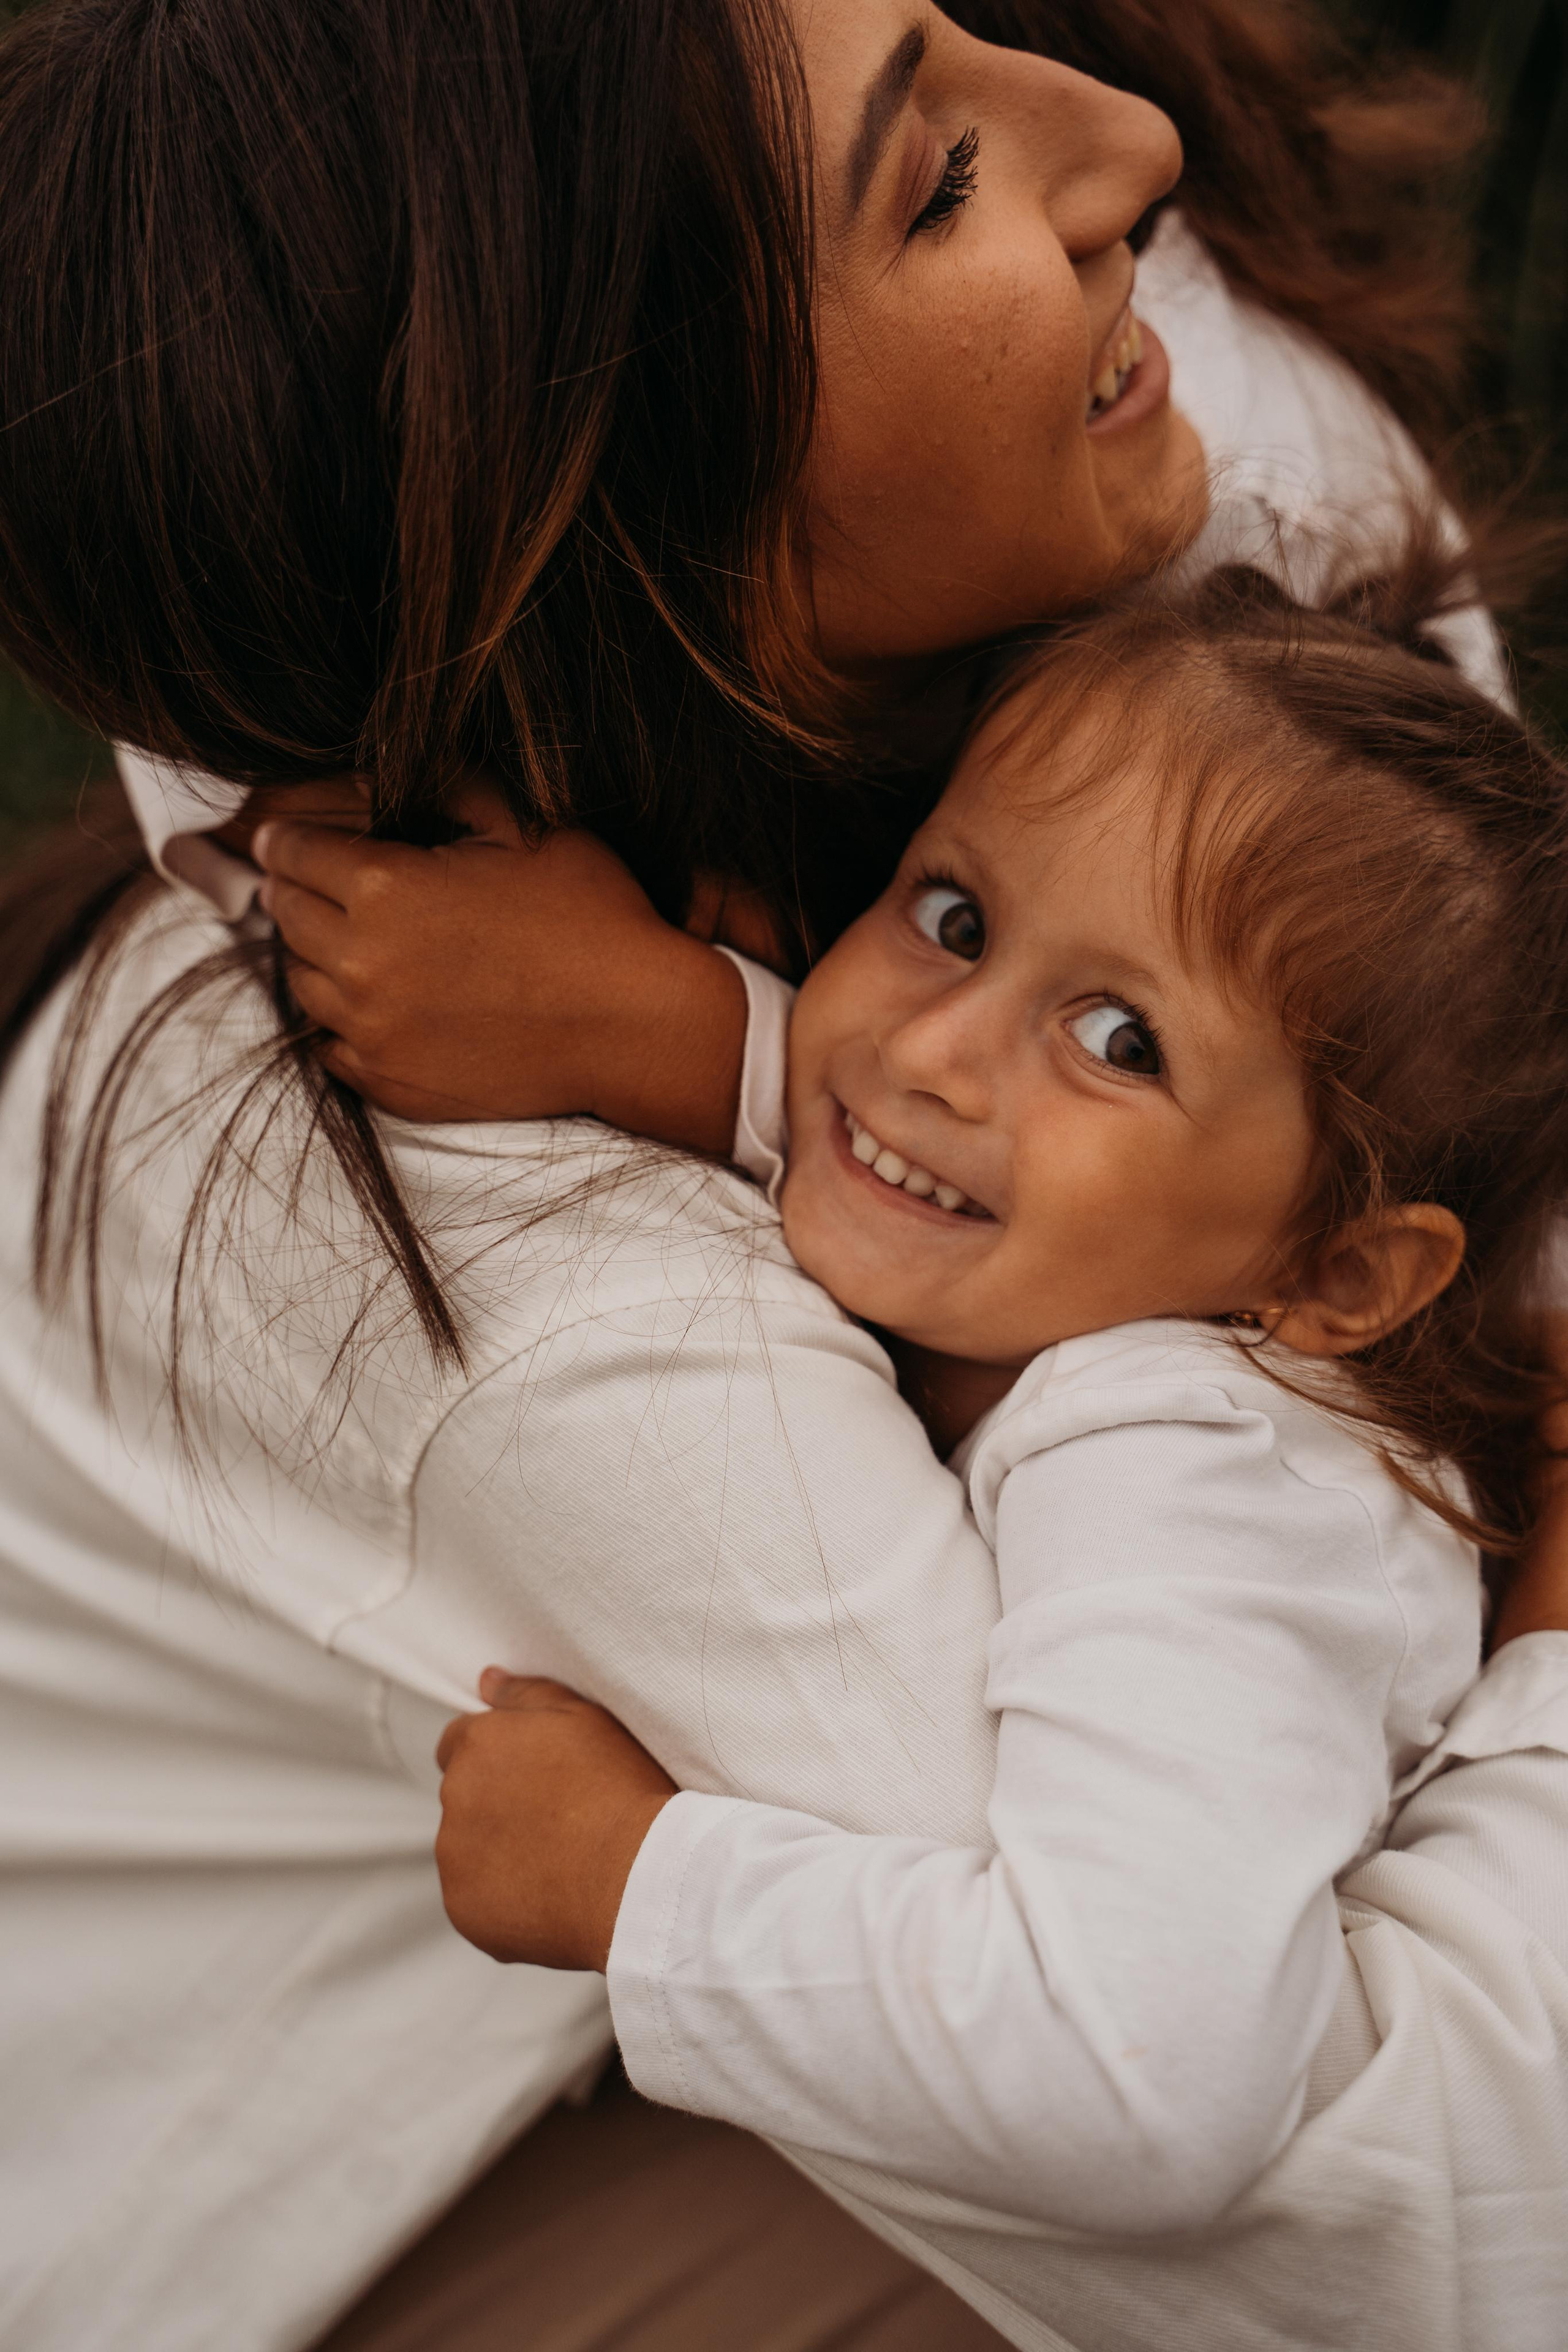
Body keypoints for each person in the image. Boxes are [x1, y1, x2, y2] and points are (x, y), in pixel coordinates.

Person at [0, 3, 1565, 2350]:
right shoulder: (546, 1305)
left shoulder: (1168, 445)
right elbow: (1371, 2220)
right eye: (931, 183)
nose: (1133, 144)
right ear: (663, 559)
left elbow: (1399, 1131)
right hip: (368, 2187)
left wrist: (693, 1045)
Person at [413, 552, 1568, 2236]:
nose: (935, 1052)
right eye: (953, 917)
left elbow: (1147, 2085)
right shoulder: (1132, 1291)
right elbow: (951, 1175)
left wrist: (640, 1889)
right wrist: (684, 1033)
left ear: (1338, 1278)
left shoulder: (1201, 1472)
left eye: (1119, 1041)